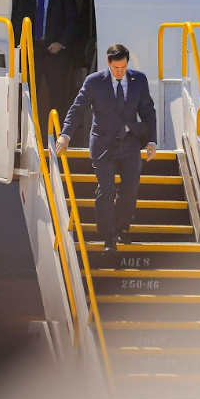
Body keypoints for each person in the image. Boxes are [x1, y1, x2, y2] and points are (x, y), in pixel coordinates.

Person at [56, 44, 157, 252]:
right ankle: (108, 237)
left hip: (129, 142)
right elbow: (78, 108)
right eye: (116, 67)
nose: (120, 72)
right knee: (106, 189)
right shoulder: (94, 82)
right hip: (103, 143)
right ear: (108, 63)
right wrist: (65, 134)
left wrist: (151, 141)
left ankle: (121, 229)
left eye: (123, 67)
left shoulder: (139, 80)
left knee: (130, 188)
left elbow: (148, 111)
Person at [12, 0, 78, 125]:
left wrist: (61, 42)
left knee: (57, 96)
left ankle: (59, 138)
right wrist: (24, 44)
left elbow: (72, 21)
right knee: (26, 95)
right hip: (31, 52)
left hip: (55, 52)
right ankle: (26, 136)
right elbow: (17, 20)